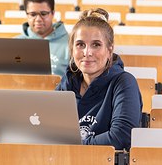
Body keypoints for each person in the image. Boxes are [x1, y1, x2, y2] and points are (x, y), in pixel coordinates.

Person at [56, 8, 142, 150]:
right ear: (72, 50)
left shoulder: (124, 82)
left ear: (109, 50)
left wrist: (74, 147)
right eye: (80, 44)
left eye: (96, 45)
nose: (87, 52)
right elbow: (47, 130)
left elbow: (121, 136)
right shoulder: (66, 82)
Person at [16, 0, 69, 77]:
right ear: (26, 15)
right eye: (33, 14)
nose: (38, 19)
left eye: (43, 14)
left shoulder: (70, 43)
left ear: (53, 13)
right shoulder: (14, 43)